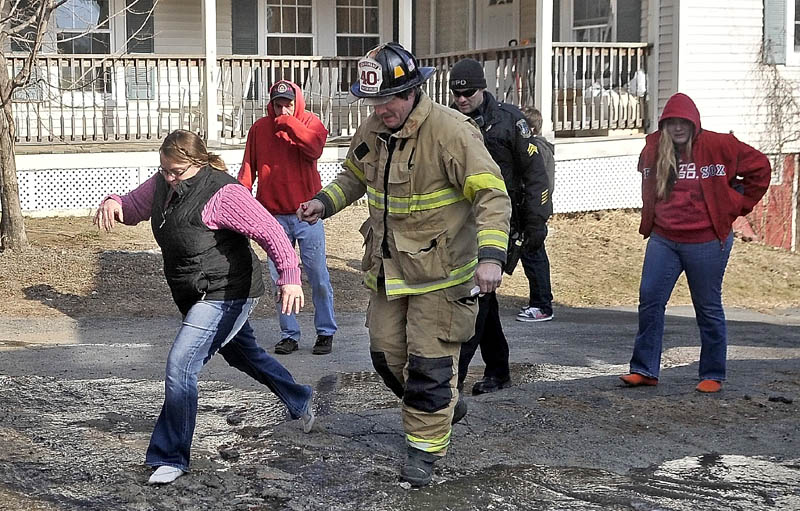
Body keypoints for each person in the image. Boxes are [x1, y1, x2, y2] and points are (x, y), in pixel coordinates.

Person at [297, 43, 511, 487]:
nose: (382, 109)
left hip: (442, 277)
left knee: (430, 366)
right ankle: (443, 405)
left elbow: (492, 195)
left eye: (390, 99)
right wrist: (323, 202)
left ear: (413, 90)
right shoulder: (374, 128)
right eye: (373, 101)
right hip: (389, 272)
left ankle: (424, 452)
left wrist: (491, 258)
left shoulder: (452, 132)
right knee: (386, 355)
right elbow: (354, 176)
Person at [94, 129, 315, 485]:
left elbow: (271, 232)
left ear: (196, 164)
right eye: (164, 169)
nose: (168, 177)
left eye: (176, 171)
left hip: (227, 291)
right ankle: (300, 398)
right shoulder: (163, 183)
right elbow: (134, 207)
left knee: (181, 364)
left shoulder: (223, 193)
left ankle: (171, 457)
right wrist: (114, 203)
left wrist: (289, 276)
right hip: (196, 294)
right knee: (244, 356)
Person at [620, 93, 770, 393]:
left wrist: (736, 204)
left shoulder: (719, 145)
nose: (677, 128)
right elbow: (647, 184)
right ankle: (644, 370)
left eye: (683, 122)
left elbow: (761, 168)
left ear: (694, 123)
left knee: (707, 306)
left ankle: (713, 373)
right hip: (664, 238)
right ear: (664, 125)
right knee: (650, 300)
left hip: (706, 240)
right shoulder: (653, 149)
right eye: (671, 123)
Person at [448, 58, 551, 396]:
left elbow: (535, 174)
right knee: (484, 299)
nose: (462, 99)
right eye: (456, 94)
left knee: (476, 297)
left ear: (483, 88)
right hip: (464, 221)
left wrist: (537, 221)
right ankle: (498, 370)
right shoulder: (450, 122)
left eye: (469, 93)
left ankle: (454, 377)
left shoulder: (510, 122)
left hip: (504, 220)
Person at [238, 80, 337, 356]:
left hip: (308, 213)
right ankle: (289, 334)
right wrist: (241, 203)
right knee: (280, 278)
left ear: (297, 103)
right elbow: (248, 169)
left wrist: (289, 124)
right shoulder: (259, 129)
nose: (283, 109)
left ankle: (325, 332)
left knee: (317, 274)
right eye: (278, 104)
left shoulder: (311, 122)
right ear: (270, 104)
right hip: (273, 217)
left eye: (288, 104)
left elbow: (314, 148)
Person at [519, 106, 555, 323]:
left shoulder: (537, 150)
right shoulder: (537, 148)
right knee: (530, 255)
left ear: (531, 128)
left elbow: (540, 184)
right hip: (532, 210)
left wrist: (532, 210)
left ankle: (542, 305)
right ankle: (538, 300)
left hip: (535, 211)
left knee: (534, 255)